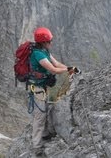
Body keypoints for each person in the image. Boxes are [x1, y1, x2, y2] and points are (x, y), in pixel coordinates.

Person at [28, 27, 79, 156]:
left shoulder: (45, 51)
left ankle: (44, 135)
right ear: (44, 41)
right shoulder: (38, 54)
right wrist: (68, 69)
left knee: (44, 110)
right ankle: (36, 146)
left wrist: (70, 69)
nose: (51, 42)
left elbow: (57, 64)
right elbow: (53, 70)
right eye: (50, 40)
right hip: (37, 88)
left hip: (42, 87)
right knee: (39, 116)